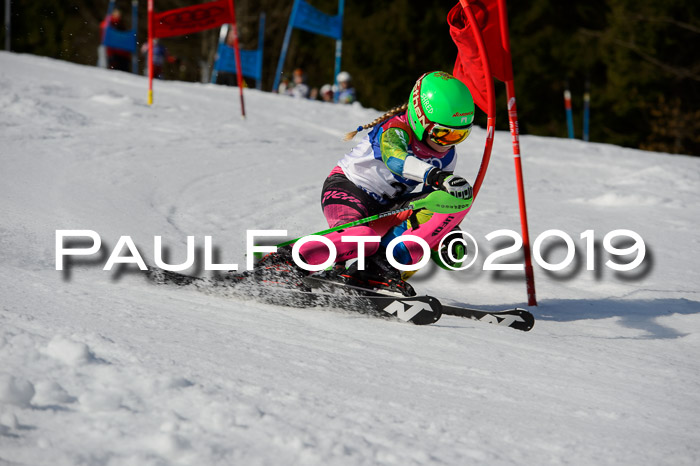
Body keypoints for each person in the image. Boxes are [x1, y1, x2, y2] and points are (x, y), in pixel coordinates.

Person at [258, 71, 475, 295]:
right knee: (363, 238)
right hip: (348, 189)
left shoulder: (448, 155)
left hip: (387, 206)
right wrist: (436, 175)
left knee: (457, 197)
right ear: (420, 118)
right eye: (443, 134)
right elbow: (396, 160)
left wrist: (446, 231)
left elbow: (432, 202)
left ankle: (379, 267)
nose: (448, 143)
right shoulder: (396, 129)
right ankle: (285, 261)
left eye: (460, 136)